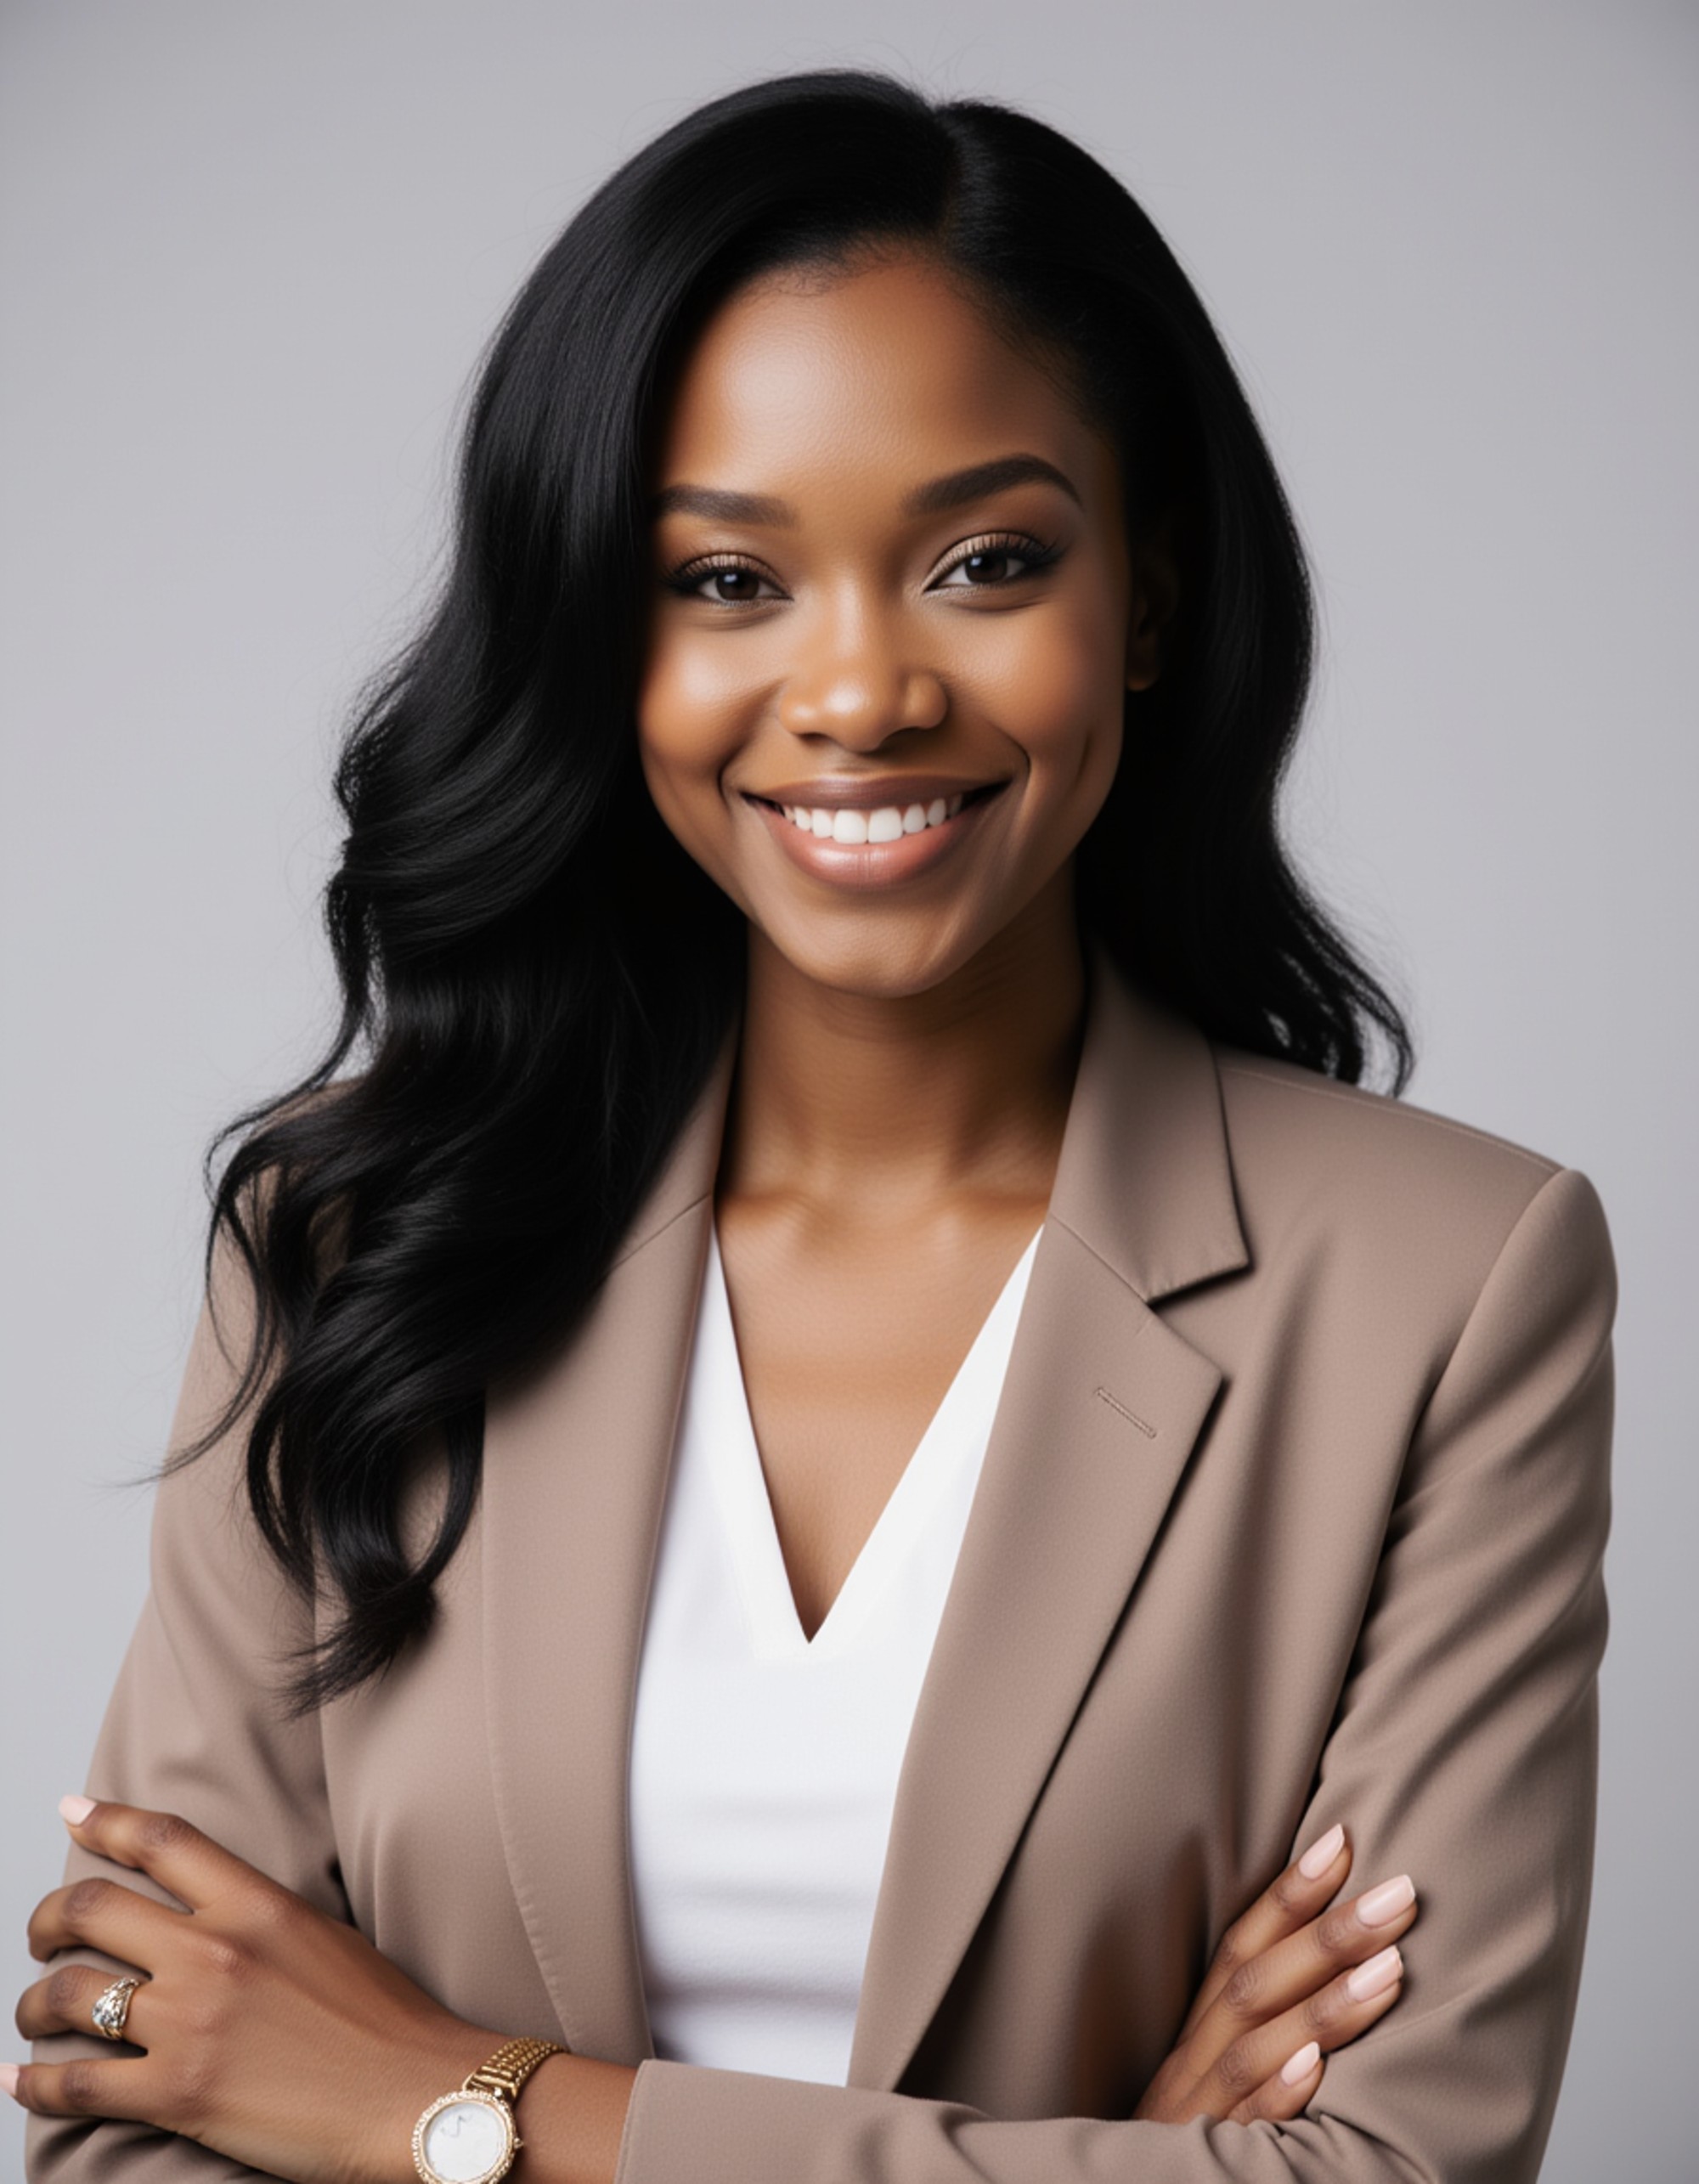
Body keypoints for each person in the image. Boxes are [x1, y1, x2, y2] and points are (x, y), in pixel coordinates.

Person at [8, 69, 1614, 2184]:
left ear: (1143, 598)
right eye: (726, 580)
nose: (860, 690)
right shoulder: (349, 1238)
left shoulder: (1445, 1289)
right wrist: (1098, 2151)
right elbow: (145, 2108)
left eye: (983, 558)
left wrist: (446, 2102)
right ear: (602, 631)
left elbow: (1392, 2170)